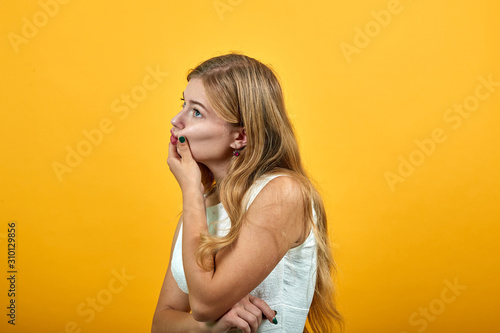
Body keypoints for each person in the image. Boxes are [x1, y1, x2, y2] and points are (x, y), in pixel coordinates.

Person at [152, 53, 343, 333]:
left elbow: (204, 305)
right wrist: (211, 328)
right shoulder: (199, 211)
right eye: (183, 104)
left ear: (240, 136)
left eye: (196, 112)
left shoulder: (283, 193)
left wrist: (191, 188)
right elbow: (161, 323)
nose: (176, 120)